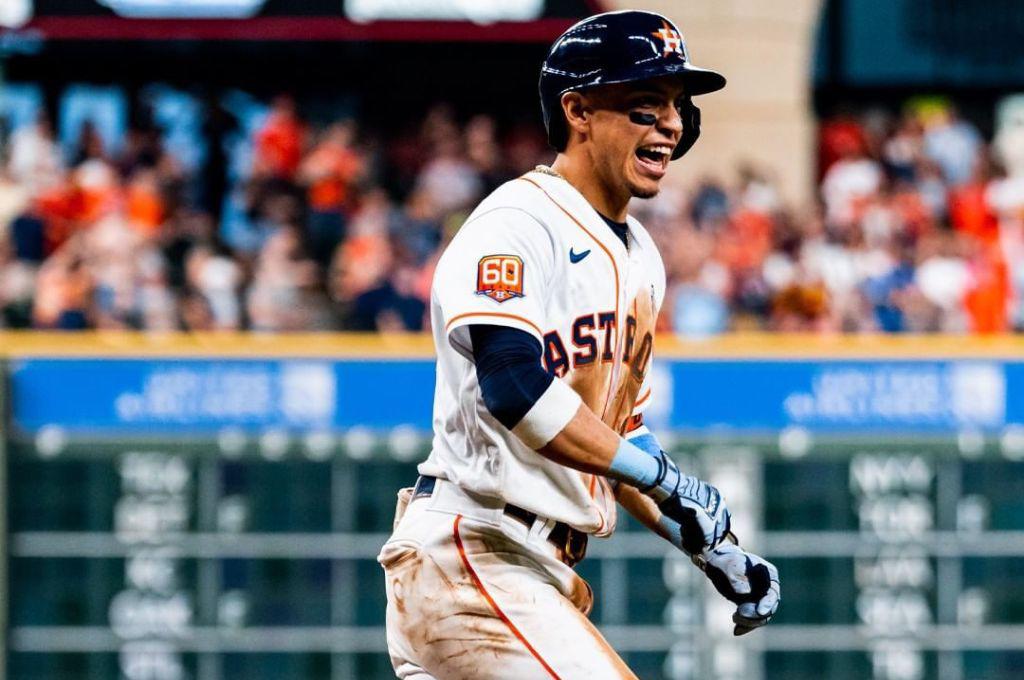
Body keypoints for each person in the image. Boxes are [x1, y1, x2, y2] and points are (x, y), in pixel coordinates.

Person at [379, 11, 780, 679]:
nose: (671, 126)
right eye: (646, 107)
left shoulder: (642, 256)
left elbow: (620, 432)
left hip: (531, 570)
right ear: (579, 111)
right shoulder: (516, 222)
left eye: (677, 109)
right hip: (474, 553)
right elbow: (512, 386)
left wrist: (711, 547)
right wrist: (658, 475)